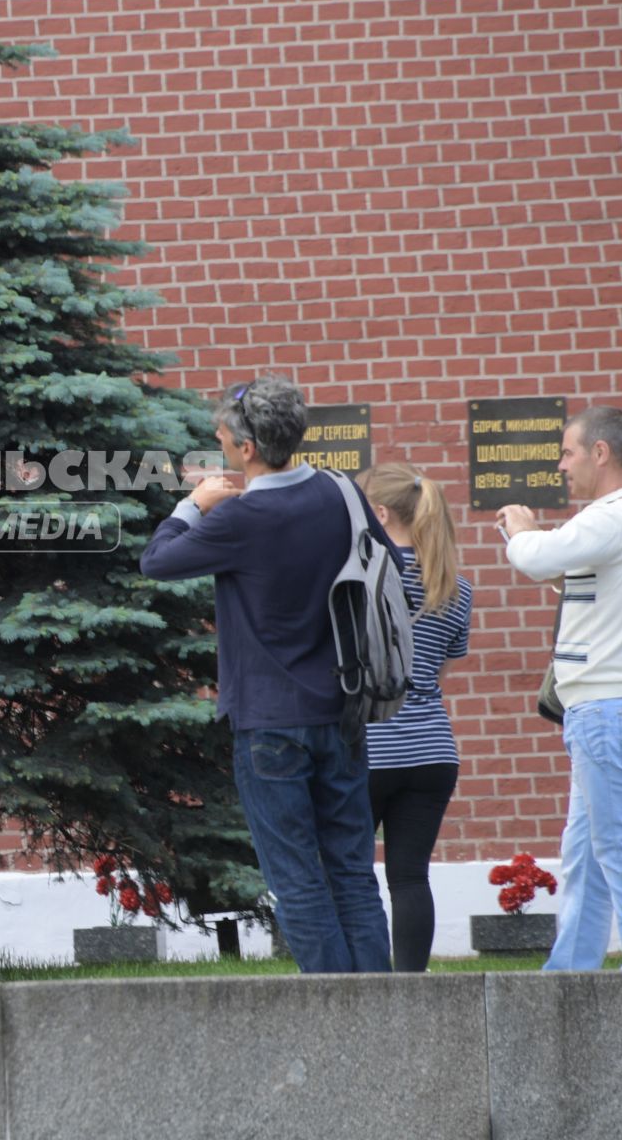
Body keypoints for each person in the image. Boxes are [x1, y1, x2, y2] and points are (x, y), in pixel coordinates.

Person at [138, 374, 395, 974]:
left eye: (223, 436)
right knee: (353, 871)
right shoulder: (343, 494)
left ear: (247, 449)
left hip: (270, 724)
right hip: (344, 708)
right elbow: (385, 563)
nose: (220, 443)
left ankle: (337, 1015)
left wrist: (192, 505)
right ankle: (387, 1015)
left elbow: (157, 561)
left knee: (298, 878)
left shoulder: (240, 517)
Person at [498, 406, 622, 971]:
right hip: (615, 711)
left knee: (621, 852)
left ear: (600, 453)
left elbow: (537, 557)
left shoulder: (613, 515)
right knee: (585, 855)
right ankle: (570, 974)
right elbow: (588, 586)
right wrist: (545, 559)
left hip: (608, 712)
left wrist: (522, 531)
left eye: (568, 452)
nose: (561, 465)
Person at [358, 463, 472, 971]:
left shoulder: (356, 577)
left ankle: (356, 980)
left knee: (350, 871)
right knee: (409, 877)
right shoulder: (454, 586)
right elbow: (437, 670)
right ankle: (412, 986)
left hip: (367, 748)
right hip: (431, 751)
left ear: (379, 513)